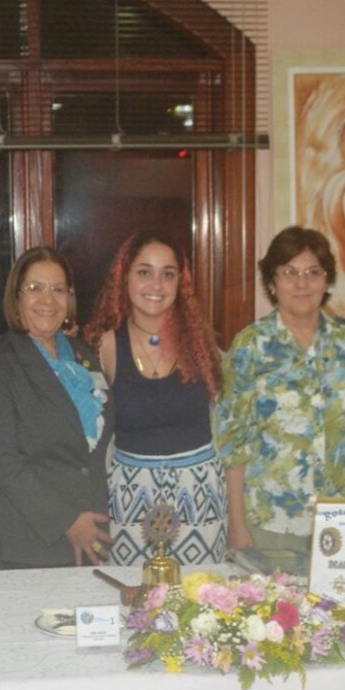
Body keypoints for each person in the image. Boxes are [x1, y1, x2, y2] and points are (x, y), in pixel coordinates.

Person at [217, 227, 345, 553]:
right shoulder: (251, 345)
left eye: (313, 272)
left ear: (326, 281)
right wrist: (236, 524)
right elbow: (232, 442)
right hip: (272, 522)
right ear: (272, 282)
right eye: (289, 272)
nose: (302, 283)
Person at [87, 232, 227, 565]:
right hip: (130, 497)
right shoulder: (105, 346)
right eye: (144, 272)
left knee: (200, 594)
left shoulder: (202, 345)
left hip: (199, 495)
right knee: (134, 594)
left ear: (181, 283)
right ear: (124, 278)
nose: (156, 284)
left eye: (168, 274)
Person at [0, 247, 113, 567]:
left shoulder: (82, 355)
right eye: (34, 288)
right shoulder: (0, 363)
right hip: (35, 538)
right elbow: (4, 463)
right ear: (16, 298)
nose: (47, 300)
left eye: (58, 289)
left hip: (93, 527)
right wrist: (67, 520)